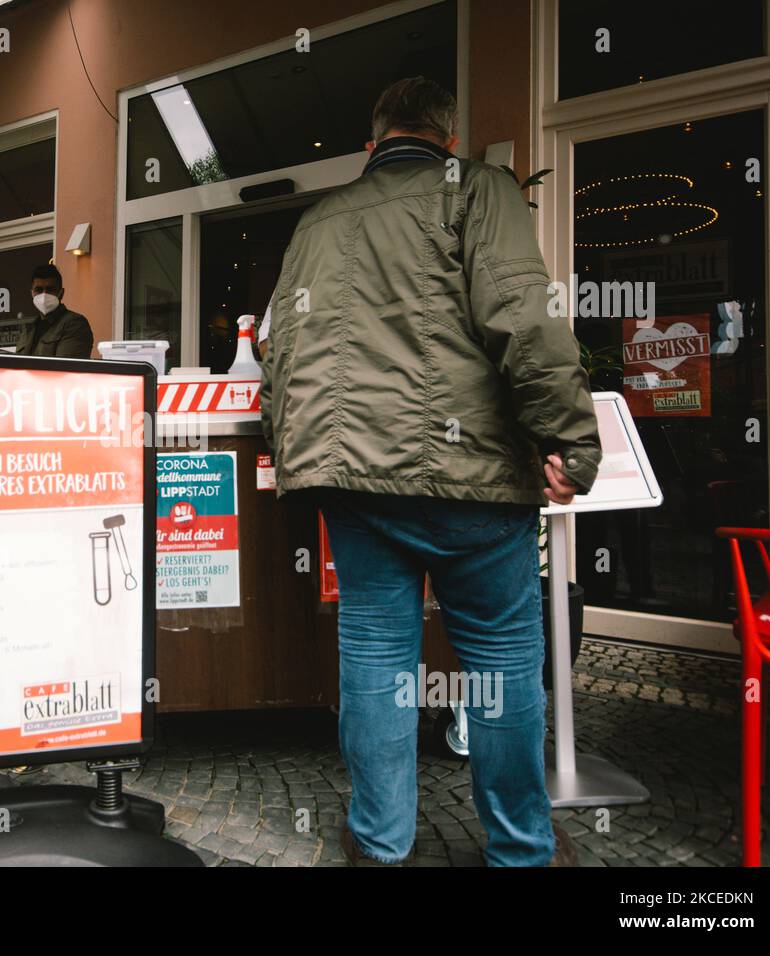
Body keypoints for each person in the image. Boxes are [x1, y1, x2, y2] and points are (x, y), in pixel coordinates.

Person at [259, 76, 602, 867]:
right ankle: (521, 849)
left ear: (373, 142)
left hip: (351, 482)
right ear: (448, 139)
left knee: (376, 657)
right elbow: (523, 313)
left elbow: (281, 354)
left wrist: (290, 451)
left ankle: (380, 845)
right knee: (504, 659)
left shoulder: (319, 218)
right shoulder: (479, 190)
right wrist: (570, 443)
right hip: (470, 479)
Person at [15, 263, 94, 358]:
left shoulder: (74, 324)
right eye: (39, 290)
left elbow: (65, 367)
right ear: (32, 293)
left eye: (50, 289)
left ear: (61, 293)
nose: (44, 295)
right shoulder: (29, 329)